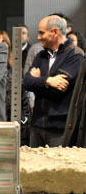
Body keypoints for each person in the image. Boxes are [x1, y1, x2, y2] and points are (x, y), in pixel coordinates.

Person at [24, 15, 83, 147]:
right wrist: (48, 80)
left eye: (41, 33)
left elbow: (58, 90)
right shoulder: (41, 55)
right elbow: (27, 82)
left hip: (59, 129)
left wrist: (38, 80)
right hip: (36, 126)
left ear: (55, 32)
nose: (38, 37)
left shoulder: (75, 54)